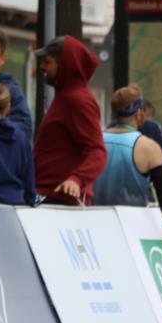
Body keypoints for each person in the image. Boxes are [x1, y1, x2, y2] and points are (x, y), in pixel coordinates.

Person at [93, 85, 162, 252]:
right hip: (132, 228)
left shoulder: (96, 141)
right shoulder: (148, 147)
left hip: (97, 223)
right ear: (139, 113)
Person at [33, 35, 108, 206]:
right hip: (52, 195)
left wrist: (76, 179)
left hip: (60, 199)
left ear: (64, 64)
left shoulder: (77, 100)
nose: (42, 66)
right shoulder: (66, 97)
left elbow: (97, 151)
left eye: (48, 61)